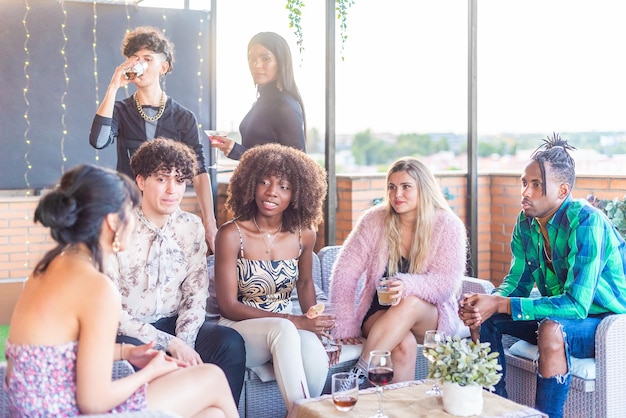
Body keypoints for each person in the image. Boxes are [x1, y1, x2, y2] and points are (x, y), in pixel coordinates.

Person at [5, 164, 238, 417]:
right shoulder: (97, 287)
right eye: (130, 211)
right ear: (113, 221)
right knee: (211, 376)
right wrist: (152, 371)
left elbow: (55, 355)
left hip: (34, 409)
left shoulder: (50, 266)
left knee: (212, 414)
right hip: (65, 412)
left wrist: (126, 352)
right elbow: (92, 402)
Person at [458, 134, 626, 418]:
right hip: (558, 313)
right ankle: (497, 409)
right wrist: (490, 301)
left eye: (536, 185)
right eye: (524, 183)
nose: (525, 192)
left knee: (551, 329)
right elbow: (518, 282)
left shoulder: (587, 221)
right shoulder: (526, 222)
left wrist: (500, 304)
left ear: (562, 191)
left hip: (605, 322)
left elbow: (576, 304)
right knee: (486, 317)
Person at [104, 138, 246, 405]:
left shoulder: (191, 227)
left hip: (174, 322)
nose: (172, 190)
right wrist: (169, 344)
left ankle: (218, 410)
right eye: (161, 179)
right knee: (133, 350)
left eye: (180, 181)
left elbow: (195, 293)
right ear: (141, 181)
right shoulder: (118, 226)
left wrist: (185, 342)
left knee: (229, 342)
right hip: (129, 330)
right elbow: (110, 311)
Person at [329, 156, 468, 384]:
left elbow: (445, 284)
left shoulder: (448, 225)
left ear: (423, 188)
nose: (397, 195)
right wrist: (344, 324)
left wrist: (406, 286)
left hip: (429, 316)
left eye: (406, 187)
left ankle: (356, 376)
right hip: (379, 312)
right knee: (403, 345)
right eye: (392, 187)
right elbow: (345, 271)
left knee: (410, 301)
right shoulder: (375, 220)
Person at [213, 143, 329, 411]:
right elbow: (228, 305)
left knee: (315, 354)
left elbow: (305, 283)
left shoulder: (304, 234)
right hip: (239, 329)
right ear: (250, 184)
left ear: (297, 194)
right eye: (264, 182)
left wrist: (315, 325)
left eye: (284, 187)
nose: (271, 192)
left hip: (289, 327)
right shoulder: (231, 235)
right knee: (284, 329)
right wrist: (294, 320)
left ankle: (302, 414)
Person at [88, 26, 218, 251]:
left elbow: (199, 171)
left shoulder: (183, 117)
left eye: (148, 58)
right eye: (134, 58)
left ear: (163, 67)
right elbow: (98, 141)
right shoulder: (120, 110)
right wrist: (113, 88)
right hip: (127, 216)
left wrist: (210, 223)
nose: (139, 64)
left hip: (166, 217)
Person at [210, 32, 306, 160]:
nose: (256, 65)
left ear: (281, 61)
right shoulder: (261, 102)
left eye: (265, 58)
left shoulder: (285, 106)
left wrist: (239, 152)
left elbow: (297, 166)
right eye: (252, 58)